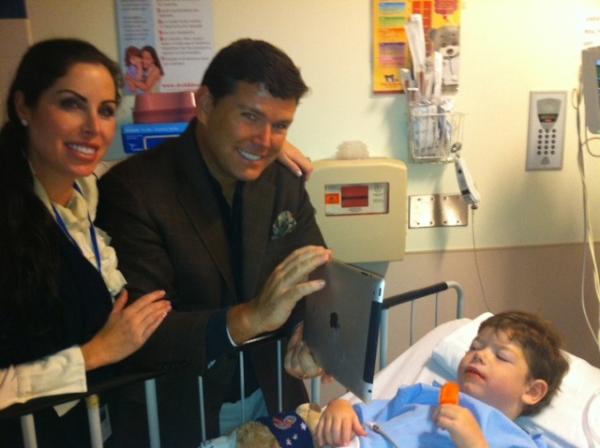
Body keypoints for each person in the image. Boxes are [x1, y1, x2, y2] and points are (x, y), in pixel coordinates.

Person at [96, 38, 329, 446]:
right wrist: (251, 318)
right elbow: (142, 332)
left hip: (272, 391)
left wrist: (308, 331)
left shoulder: (281, 182)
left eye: (280, 126)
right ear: (205, 105)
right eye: (250, 116)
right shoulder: (134, 190)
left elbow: (315, 276)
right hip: (176, 407)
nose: (265, 140)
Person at [0, 38, 173, 447]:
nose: (94, 128)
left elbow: (169, 166)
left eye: (106, 110)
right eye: (71, 104)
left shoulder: (87, 197)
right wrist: (94, 354)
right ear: (24, 107)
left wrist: (260, 147)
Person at [315, 311, 570, 448]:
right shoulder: (424, 395)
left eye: (501, 356)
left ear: (532, 391)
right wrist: (340, 407)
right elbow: (363, 417)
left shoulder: (518, 440)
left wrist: (474, 443)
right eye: (475, 347)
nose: (479, 355)